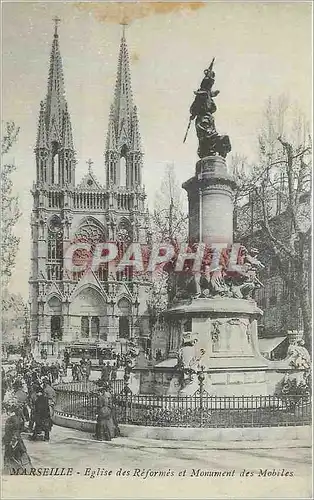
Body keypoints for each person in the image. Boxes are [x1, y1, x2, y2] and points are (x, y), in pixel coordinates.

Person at [2, 402, 32, 474]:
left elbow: (8, 431)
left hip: (12, 439)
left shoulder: (10, 419)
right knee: (21, 454)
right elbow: (21, 428)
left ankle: (11, 470)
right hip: (17, 438)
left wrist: (6, 440)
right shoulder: (18, 418)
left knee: (10, 455)